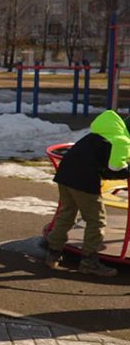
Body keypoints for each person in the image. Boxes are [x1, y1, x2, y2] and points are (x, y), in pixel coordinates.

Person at [45, 109, 129, 277]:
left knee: (67, 214)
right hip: (83, 182)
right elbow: (115, 168)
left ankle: (53, 252)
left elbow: (100, 162)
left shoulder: (96, 136)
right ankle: (89, 262)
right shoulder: (121, 141)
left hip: (65, 176)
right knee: (96, 220)